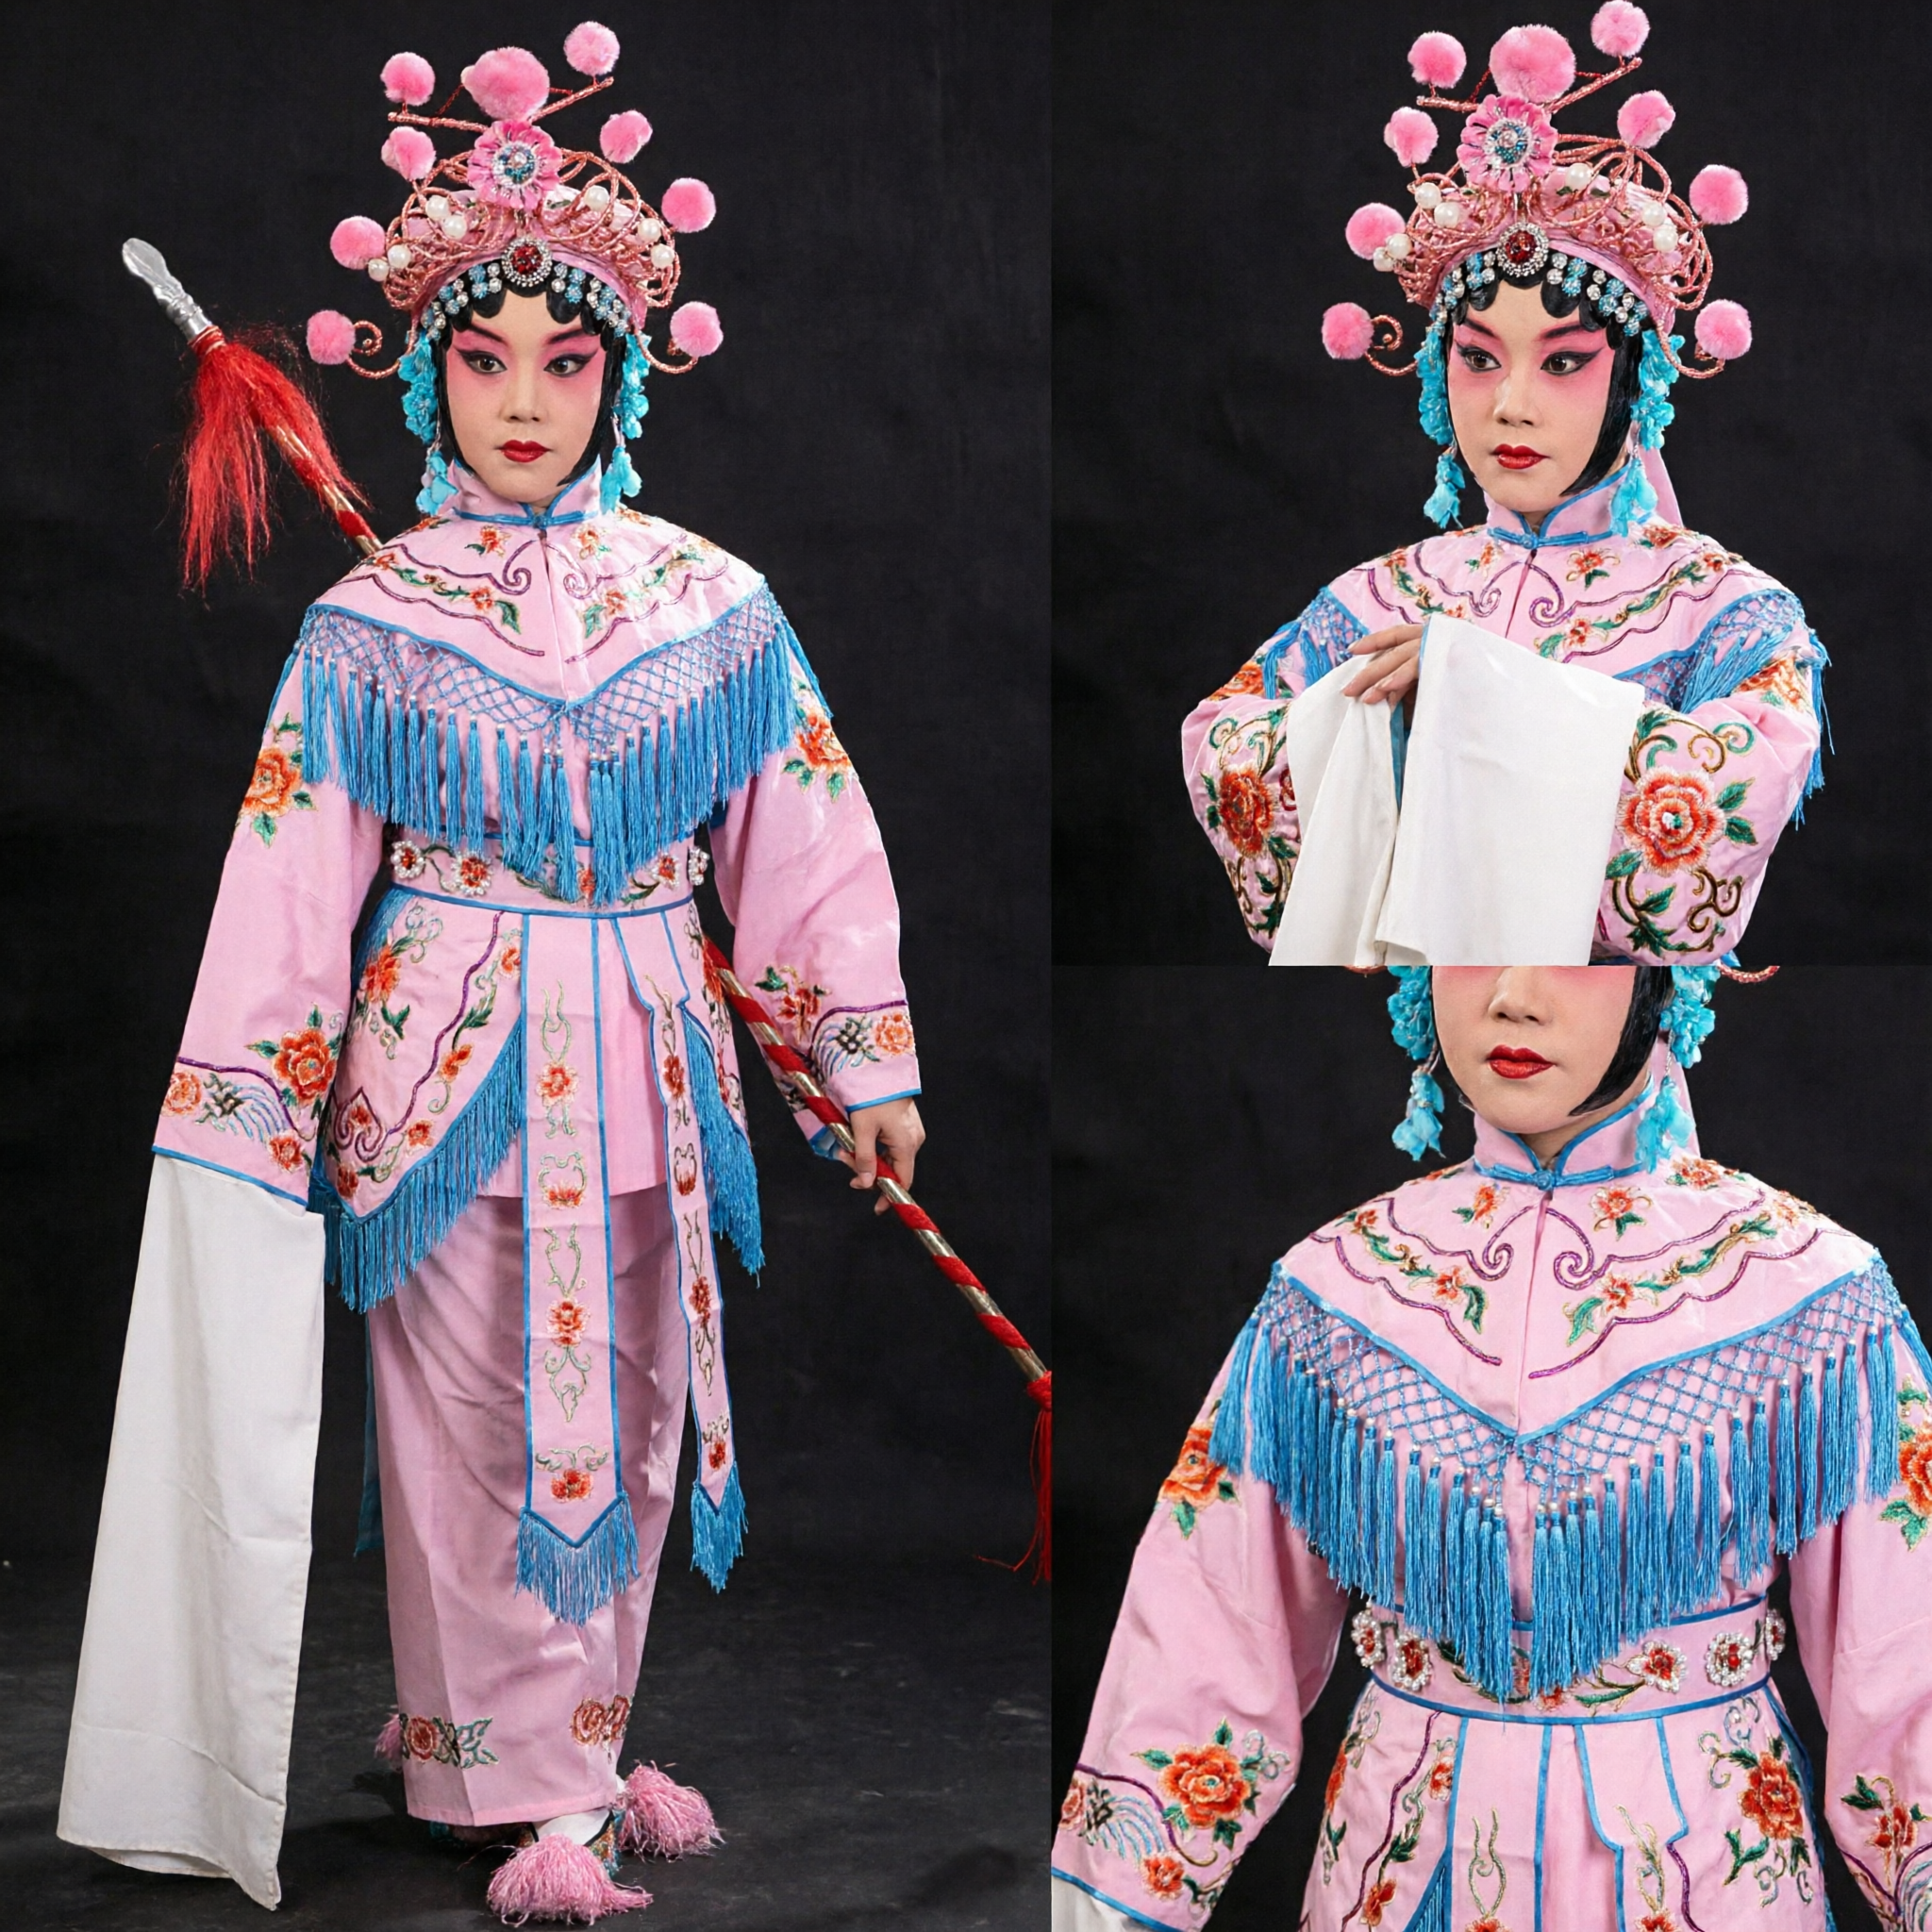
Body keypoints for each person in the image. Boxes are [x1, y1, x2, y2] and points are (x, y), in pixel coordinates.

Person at [59, 25, 924, 1923]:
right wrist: (244, 1099)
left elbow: (801, 831)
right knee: (461, 1416)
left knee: (622, 1388)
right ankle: (518, 1785)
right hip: (439, 1062)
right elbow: (293, 868)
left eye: (564, 359)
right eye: (482, 357)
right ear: (429, 375)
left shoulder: (711, 602)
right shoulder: (371, 619)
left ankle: (578, 1747)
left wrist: (859, 1066)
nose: (524, 397)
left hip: (647, 1039)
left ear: (619, 376)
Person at [1054, 965, 1932, 1929]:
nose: (1511, 995)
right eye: (1469, 942)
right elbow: (1205, 1624)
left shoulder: (1807, 1293)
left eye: (1569, 950)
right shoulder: (1339, 1292)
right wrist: (1109, 1898)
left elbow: (1904, 1657)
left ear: (1660, 970)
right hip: (1401, 1860)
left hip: (1705, 1871)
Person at [1186, 10, 1823, 964]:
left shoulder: (1725, 611)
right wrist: (1377, 730)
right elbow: (1220, 743)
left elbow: (1732, 799)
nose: (1510, 406)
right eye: (1478, 360)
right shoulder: (1379, 598)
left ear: (1635, 379)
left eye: (1562, 363)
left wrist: (1475, 690)